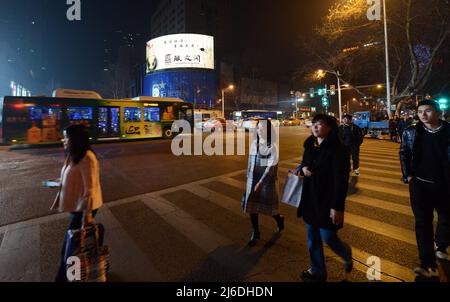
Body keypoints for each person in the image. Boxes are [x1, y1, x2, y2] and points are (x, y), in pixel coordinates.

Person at [297, 114, 352, 282]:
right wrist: (303, 170)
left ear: (329, 127)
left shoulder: (339, 150)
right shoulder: (310, 147)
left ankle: (345, 253)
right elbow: (303, 166)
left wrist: (337, 207)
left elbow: (341, 181)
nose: (315, 127)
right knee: (312, 237)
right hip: (310, 198)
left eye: (319, 124)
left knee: (328, 237)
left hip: (328, 200)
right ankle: (318, 271)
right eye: (313, 124)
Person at [400, 100, 450, 281]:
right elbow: (404, 153)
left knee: (446, 216)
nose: (423, 115)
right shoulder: (411, 132)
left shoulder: (448, 130)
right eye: (420, 111)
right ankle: (427, 261)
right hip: (420, 185)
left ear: (437, 112)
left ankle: (442, 244)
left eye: (427, 111)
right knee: (422, 223)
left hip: (446, 185)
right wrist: (409, 176)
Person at [49, 124, 103, 282]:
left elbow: (90, 189)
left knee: (70, 246)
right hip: (77, 207)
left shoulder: (88, 158)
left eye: (66, 137)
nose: (63, 139)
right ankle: (74, 274)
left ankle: (62, 278)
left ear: (76, 139)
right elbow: (70, 179)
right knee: (74, 245)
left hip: (84, 209)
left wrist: (88, 217)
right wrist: (50, 183)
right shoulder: (74, 155)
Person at [242, 119, 284, 247]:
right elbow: (251, 160)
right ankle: (256, 233)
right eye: (258, 128)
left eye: (262, 128)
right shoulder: (255, 143)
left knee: (270, 208)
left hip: (266, 181)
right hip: (252, 179)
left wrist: (261, 182)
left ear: (269, 130)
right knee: (251, 207)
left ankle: (279, 219)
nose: (259, 131)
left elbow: (271, 167)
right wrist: (248, 173)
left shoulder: (272, 146)